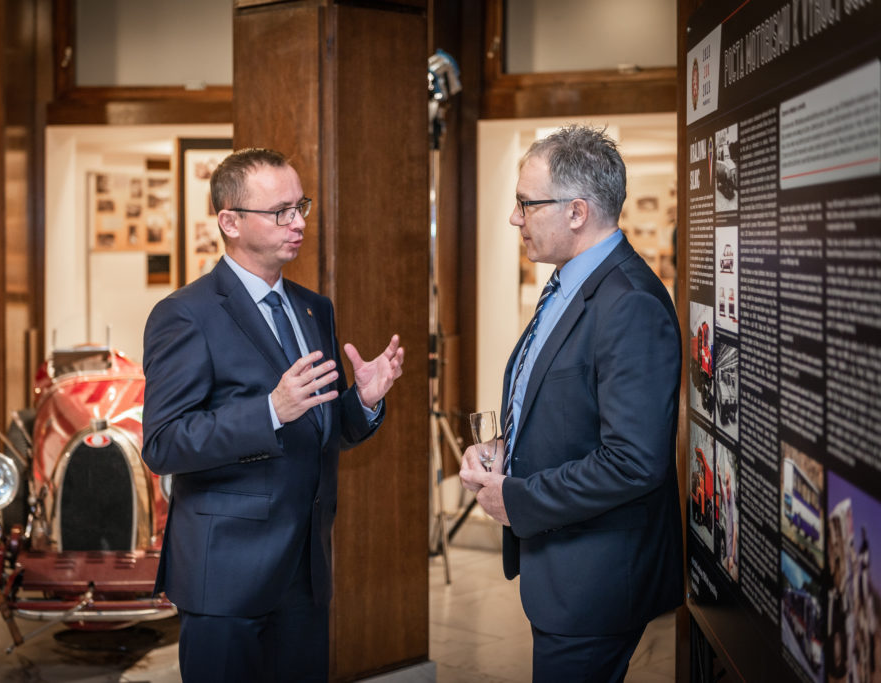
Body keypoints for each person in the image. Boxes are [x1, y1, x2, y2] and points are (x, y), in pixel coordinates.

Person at [142, 147, 404, 682]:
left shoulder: (313, 308)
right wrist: (269, 411)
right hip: (226, 575)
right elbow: (164, 443)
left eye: (300, 206)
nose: (298, 222)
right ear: (230, 222)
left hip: (305, 570)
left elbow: (320, 430)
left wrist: (363, 401)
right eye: (280, 212)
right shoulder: (185, 314)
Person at [460, 125, 683, 682]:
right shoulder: (571, 281)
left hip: (596, 579)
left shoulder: (629, 303)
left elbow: (634, 461)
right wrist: (505, 448)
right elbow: (567, 406)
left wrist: (517, 498)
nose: (514, 218)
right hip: (564, 566)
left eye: (525, 204)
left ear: (577, 212)